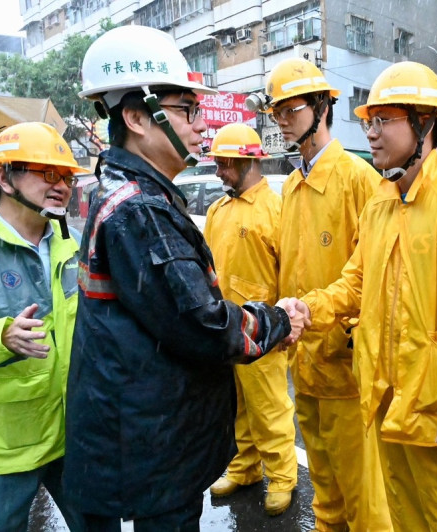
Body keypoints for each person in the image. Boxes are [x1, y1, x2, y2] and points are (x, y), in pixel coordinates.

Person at [64, 25, 305, 530]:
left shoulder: (130, 196)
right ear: (136, 117)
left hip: (146, 430)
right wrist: (278, 320)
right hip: (153, 442)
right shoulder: (141, 211)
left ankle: (280, 476)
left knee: (269, 418)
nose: (201, 127)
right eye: (186, 110)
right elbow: (202, 324)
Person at [281, 62, 437, 531]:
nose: (370, 133)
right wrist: (309, 309)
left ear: (424, 123)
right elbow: (356, 283)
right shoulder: (381, 203)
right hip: (388, 409)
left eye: (383, 120)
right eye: (369, 122)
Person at [258, 57, 391, 532]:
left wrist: (348, 334)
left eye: (290, 109)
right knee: (326, 492)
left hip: (345, 369)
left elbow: (375, 273)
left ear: (320, 106)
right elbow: (288, 268)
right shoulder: (292, 184)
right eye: (276, 112)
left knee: (365, 500)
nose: (282, 120)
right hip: (304, 362)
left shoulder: (359, 179)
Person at [0, 122, 86, 532]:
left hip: (72, 437)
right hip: (0, 450)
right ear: (4, 177)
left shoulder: (74, 244)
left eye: (67, 176)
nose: (61, 185)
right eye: (46, 173)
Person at [203, 123, 297, 516]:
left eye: (226, 163)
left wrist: (287, 324)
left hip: (264, 333)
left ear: (249, 161)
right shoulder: (217, 210)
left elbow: (290, 271)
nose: (221, 171)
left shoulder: (275, 209)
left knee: (270, 409)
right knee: (236, 406)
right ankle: (244, 469)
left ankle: (282, 477)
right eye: (219, 163)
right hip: (226, 330)